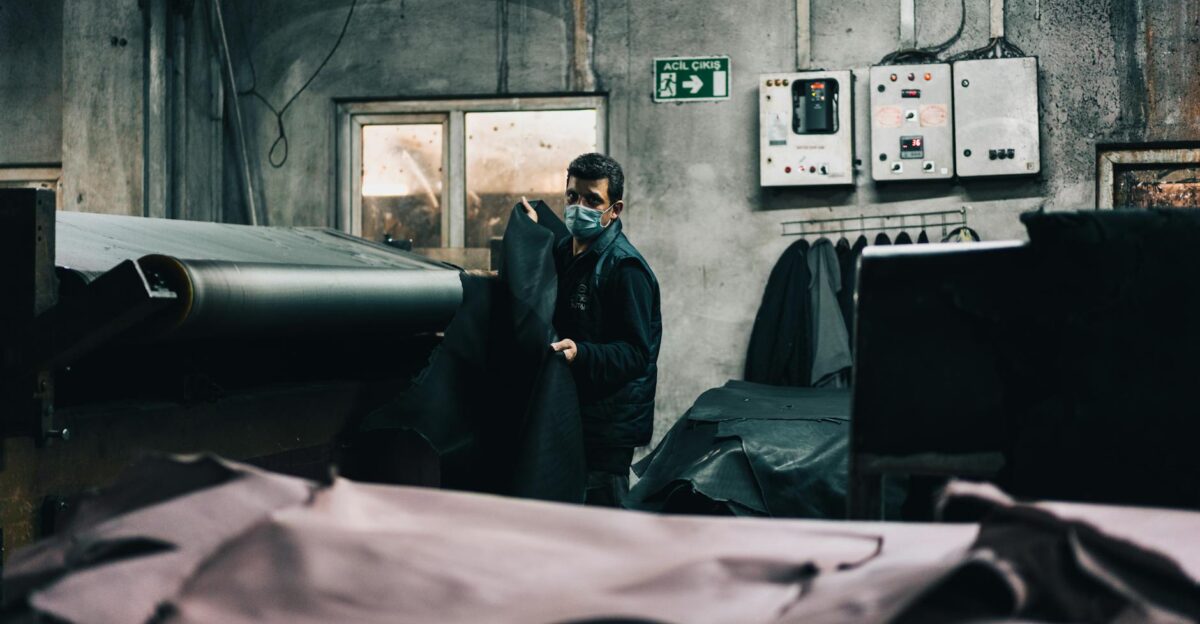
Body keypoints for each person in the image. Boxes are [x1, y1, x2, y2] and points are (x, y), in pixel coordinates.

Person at [520, 153, 661, 507]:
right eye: (572, 197)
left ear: (614, 209)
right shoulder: (565, 252)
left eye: (592, 200)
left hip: (607, 427)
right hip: (571, 411)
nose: (578, 207)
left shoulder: (626, 268)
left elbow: (635, 353)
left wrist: (582, 353)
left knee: (604, 521)